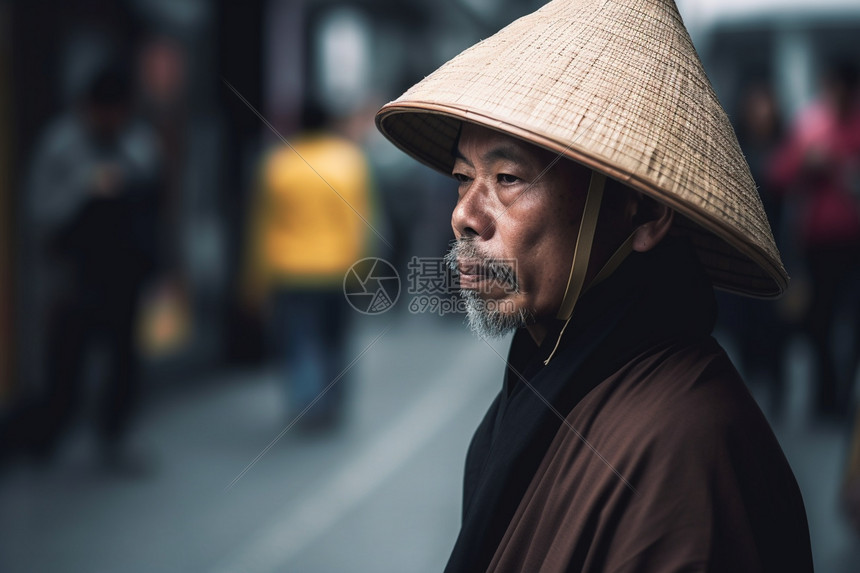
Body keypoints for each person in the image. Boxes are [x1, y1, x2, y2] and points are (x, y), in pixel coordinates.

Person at [375, 0, 813, 571]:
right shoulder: (548, 377)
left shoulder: (684, 449)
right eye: (463, 179)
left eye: (507, 179)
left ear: (645, 215)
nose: (465, 215)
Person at [21, 60, 162, 467]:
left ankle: (114, 437)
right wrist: (87, 188)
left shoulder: (138, 142)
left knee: (123, 359)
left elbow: (153, 199)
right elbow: (40, 210)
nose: (113, 119)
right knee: (65, 360)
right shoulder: (62, 144)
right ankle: (48, 437)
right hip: (75, 274)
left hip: (126, 271)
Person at [243, 102, 372, 430]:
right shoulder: (348, 161)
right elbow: (359, 220)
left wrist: (255, 278)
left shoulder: (279, 164)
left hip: (291, 268)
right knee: (334, 339)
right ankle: (332, 401)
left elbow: (262, 225)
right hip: (338, 267)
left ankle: (306, 401)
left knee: (297, 338)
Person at [769, 61, 860, 421]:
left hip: (854, 242)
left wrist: (838, 165)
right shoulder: (812, 125)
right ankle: (825, 398)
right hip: (818, 245)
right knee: (818, 321)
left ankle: (844, 394)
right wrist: (807, 163)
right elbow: (779, 174)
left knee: (852, 321)